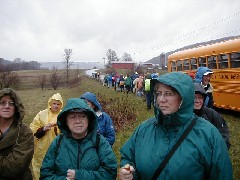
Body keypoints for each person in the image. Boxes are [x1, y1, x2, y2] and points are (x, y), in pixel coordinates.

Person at [119, 72, 232, 180]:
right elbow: (128, 157)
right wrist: (128, 171)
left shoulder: (208, 135)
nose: (161, 100)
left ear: (184, 97)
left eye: (168, 94)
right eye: (159, 93)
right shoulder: (144, 129)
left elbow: (221, 174)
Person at [40, 98, 117, 179]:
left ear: (88, 120)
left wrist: (80, 176)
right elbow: (45, 174)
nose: (78, 121)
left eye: (82, 116)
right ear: (66, 121)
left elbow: (110, 173)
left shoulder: (100, 141)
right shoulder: (58, 142)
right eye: (72, 117)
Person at [0, 88, 34, 179]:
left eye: (11, 103)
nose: (7, 106)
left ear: (16, 108)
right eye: (2, 103)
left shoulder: (25, 133)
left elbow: (13, 168)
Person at [30, 93, 63, 180]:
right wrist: (43, 129)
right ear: (50, 103)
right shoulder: (41, 114)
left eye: (58, 104)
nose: (56, 106)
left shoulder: (63, 115)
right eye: (54, 103)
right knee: (40, 168)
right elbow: (33, 130)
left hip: (58, 148)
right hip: (42, 148)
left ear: (61, 105)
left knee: (56, 168)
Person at [194, 83, 231, 149]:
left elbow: (223, 133)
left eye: (200, 98)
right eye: (194, 97)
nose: (197, 101)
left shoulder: (211, 114)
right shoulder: (183, 115)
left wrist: (221, 149)